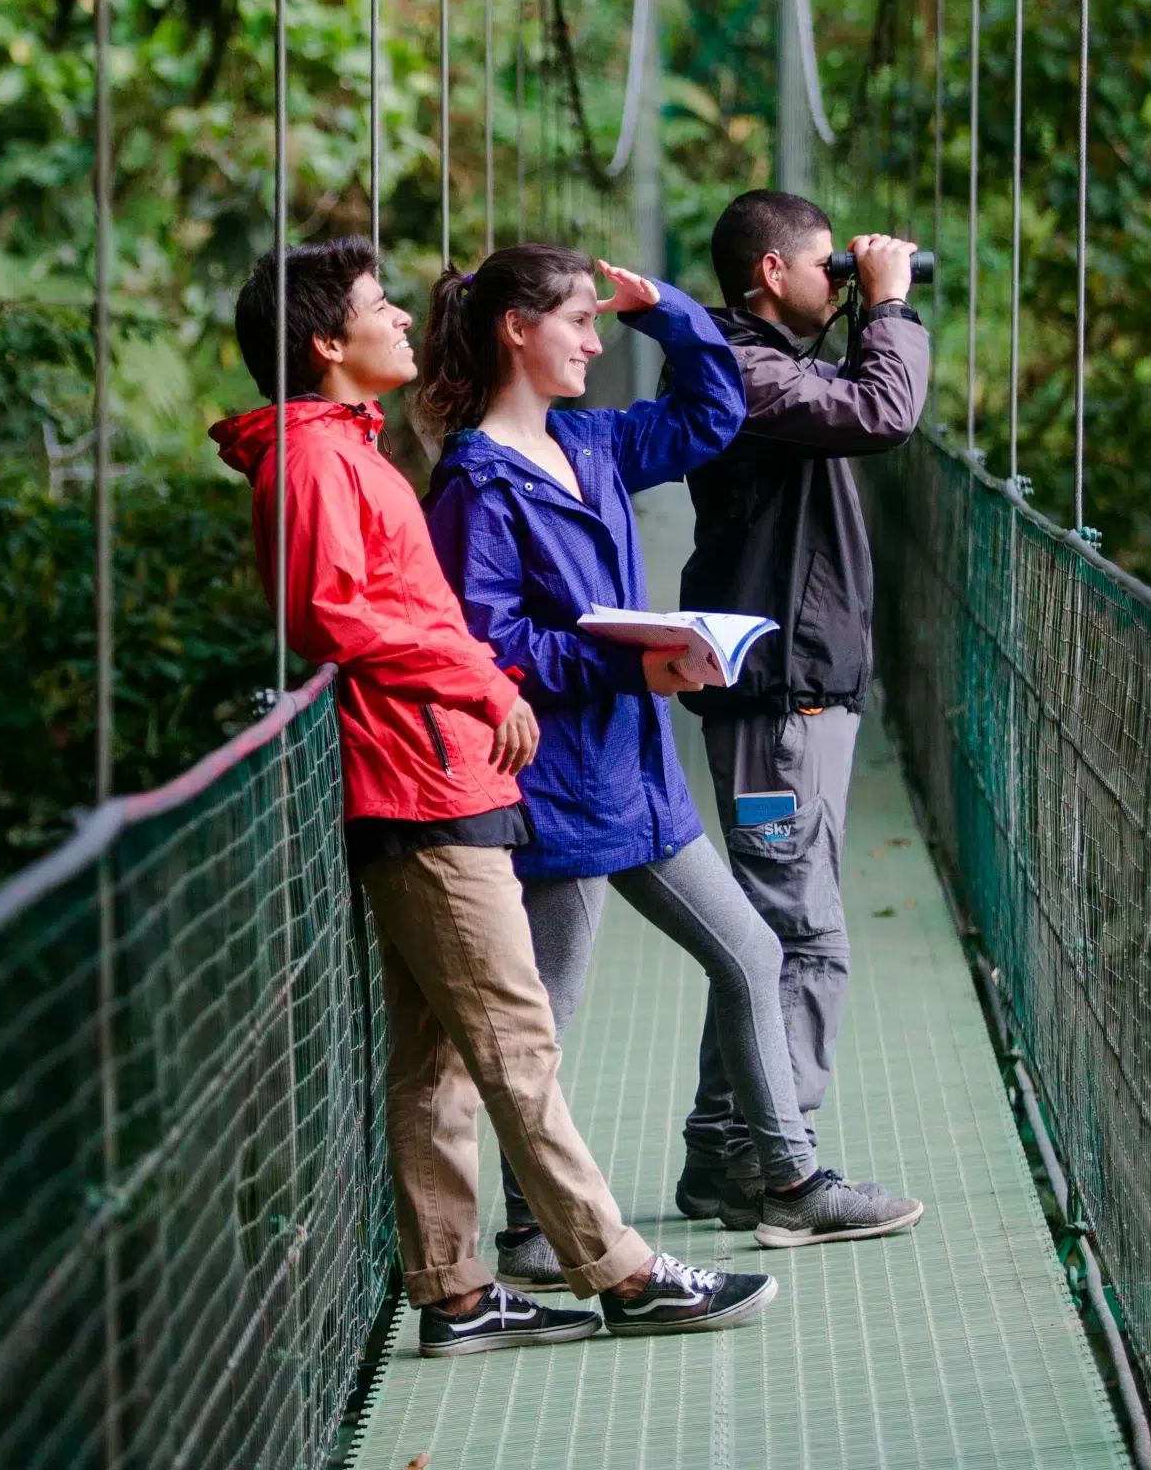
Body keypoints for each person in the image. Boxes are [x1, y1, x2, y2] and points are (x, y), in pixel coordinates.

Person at [210, 236, 778, 1358]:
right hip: (423, 779)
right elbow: (336, 613)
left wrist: (663, 308)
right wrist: (480, 677)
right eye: (378, 306)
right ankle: (618, 1272)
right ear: (330, 342)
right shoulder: (330, 463)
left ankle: (456, 1294)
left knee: (437, 1060)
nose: (403, 321)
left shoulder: (355, 451)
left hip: (443, 771)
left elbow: (709, 416)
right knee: (517, 1036)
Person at [419, 244, 925, 1270]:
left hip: (638, 772)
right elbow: (489, 644)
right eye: (579, 325)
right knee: (543, 1018)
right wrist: (630, 665)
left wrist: (672, 313)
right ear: (519, 331)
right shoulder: (475, 484)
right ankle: (524, 1230)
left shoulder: (595, 441)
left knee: (752, 952)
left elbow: (711, 416)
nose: (595, 343)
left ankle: (789, 1177)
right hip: (552, 782)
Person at [672, 191, 931, 1229]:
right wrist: (893, 309)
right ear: (773, 275)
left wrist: (876, 314)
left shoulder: (784, 367)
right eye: (829, 267)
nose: (846, 281)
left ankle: (721, 1150)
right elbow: (887, 413)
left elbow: (869, 403)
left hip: (802, 691)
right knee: (800, 935)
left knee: (769, 931)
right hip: (781, 698)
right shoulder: (743, 370)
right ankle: (783, 1172)